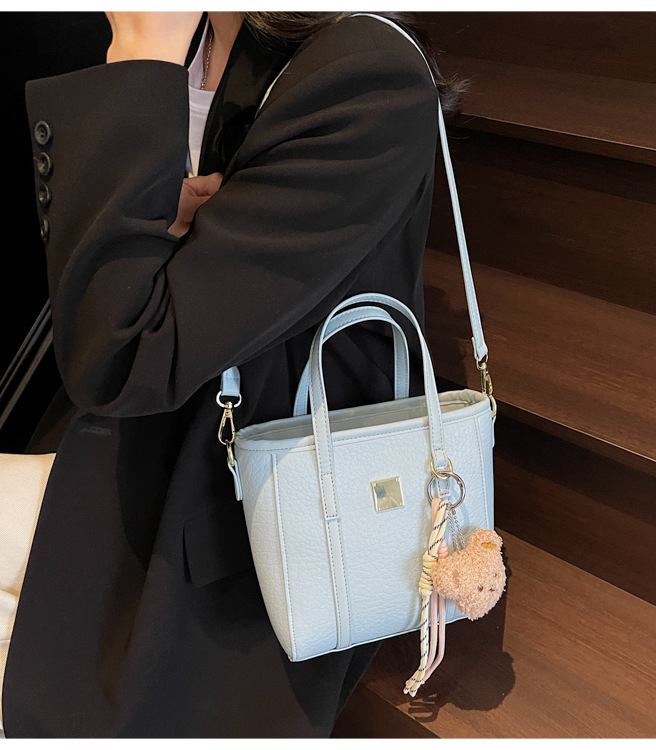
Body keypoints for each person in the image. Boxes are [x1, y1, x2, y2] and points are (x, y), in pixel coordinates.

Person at [2, 11, 459, 737]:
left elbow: (122, 356)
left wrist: (139, 55)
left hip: (236, 535)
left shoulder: (366, 72)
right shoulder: (204, 34)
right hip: (132, 450)